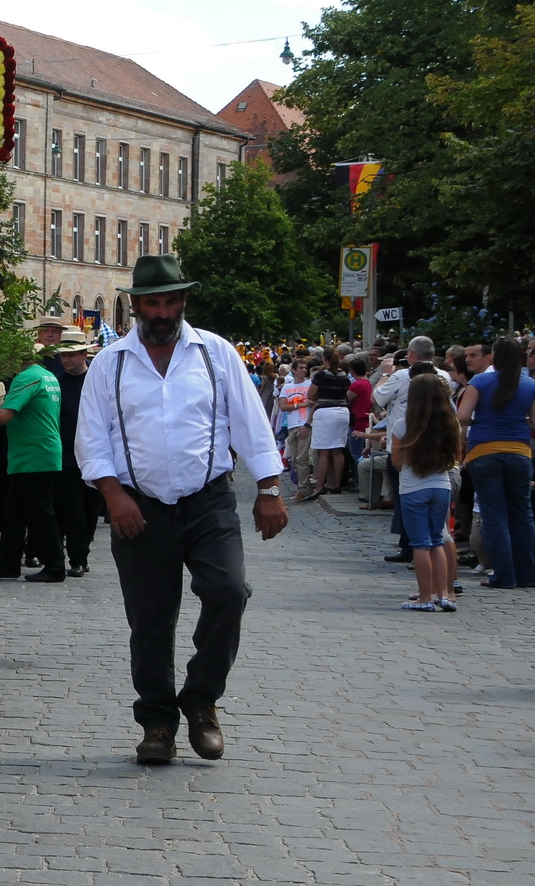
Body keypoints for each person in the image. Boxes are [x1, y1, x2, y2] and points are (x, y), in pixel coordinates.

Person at [75, 256, 286, 765]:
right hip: (137, 506)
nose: (163, 311)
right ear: (136, 305)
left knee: (229, 591)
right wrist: (113, 494)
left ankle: (201, 698)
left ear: (183, 302)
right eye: (153, 302)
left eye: (171, 301)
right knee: (150, 619)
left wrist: (269, 488)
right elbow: (91, 440)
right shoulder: (111, 364)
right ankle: (157, 722)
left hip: (208, 499)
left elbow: (249, 421)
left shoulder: (216, 354)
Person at [456, 336, 535, 588]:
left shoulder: (480, 381)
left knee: (494, 515)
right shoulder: (530, 384)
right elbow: (534, 423)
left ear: (494, 357)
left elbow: (462, 416)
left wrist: (479, 423)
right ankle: (527, 574)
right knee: (522, 514)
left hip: (484, 452)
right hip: (520, 452)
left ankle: (503, 575)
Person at [0, 343, 66, 583]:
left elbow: (4, 415)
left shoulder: (26, 378)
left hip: (34, 454)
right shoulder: (47, 375)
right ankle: (9, 565)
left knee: (41, 512)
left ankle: (55, 567)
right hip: (38, 452)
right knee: (14, 512)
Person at [390, 374, 462, 611]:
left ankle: (425, 597)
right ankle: (443, 593)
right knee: (437, 541)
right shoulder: (451, 424)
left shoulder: (403, 425)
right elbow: (455, 456)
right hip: (441, 485)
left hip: (413, 487)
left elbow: (397, 460)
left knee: (420, 544)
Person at [373, 335, 436, 562]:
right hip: (434, 445)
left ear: (410, 354)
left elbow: (378, 398)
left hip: (403, 442)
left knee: (405, 497)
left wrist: (384, 375)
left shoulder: (400, 375)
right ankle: (427, 544)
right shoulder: (444, 375)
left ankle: (409, 545)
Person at [50, 329, 101, 578]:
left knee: (90, 509)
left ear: (84, 354)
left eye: (71, 355)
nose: (66, 360)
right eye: (62, 356)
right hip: (66, 456)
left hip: (94, 454)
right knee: (71, 509)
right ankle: (76, 558)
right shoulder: (57, 383)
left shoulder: (97, 381)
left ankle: (82, 553)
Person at [305, 346, 352, 498]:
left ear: (324, 359)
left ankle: (319, 486)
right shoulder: (344, 375)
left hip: (325, 411)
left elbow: (311, 394)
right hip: (342, 411)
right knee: (337, 450)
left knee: (323, 451)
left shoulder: (321, 375)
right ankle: (336, 484)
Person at [276, 359, 311, 496]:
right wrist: (300, 405)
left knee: (302, 459)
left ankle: (304, 489)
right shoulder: (287, 387)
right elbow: (283, 406)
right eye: (301, 368)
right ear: (294, 370)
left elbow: (313, 404)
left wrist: (308, 424)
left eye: (305, 368)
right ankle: (300, 486)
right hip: (292, 424)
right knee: (294, 459)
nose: (303, 370)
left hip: (304, 424)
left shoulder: (310, 385)